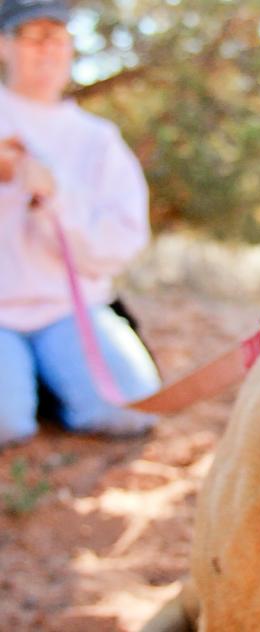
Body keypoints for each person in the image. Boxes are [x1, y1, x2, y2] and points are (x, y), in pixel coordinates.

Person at [0, 0, 160, 449]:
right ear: (4, 45)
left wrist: (56, 198)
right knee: (6, 425)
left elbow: (122, 242)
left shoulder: (98, 139)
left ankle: (45, 383)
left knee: (133, 411)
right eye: (33, 36)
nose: (47, 49)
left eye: (57, 37)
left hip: (69, 309)